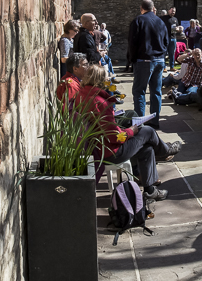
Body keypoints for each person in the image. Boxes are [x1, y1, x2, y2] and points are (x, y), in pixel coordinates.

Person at [73, 65, 181, 201]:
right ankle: (164, 151)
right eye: (107, 77)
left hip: (96, 147)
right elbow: (114, 136)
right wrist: (131, 131)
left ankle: (150, 191)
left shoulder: (84, 93)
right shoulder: (100, 102)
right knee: (148, 131)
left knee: (146, 148)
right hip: (109, 152)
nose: (110, 79)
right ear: (101, 81)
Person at [128, 0, 169, 128]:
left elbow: (132, 42)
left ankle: (140, 123)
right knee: (156, 91)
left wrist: (132, 59)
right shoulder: (160, 21)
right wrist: (162, 56)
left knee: (139, 91)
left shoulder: (138, 20)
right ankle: (154, 121)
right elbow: (166, 41)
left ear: (142, 8)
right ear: (153, 8)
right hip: (159, 60)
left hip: (144, 60)